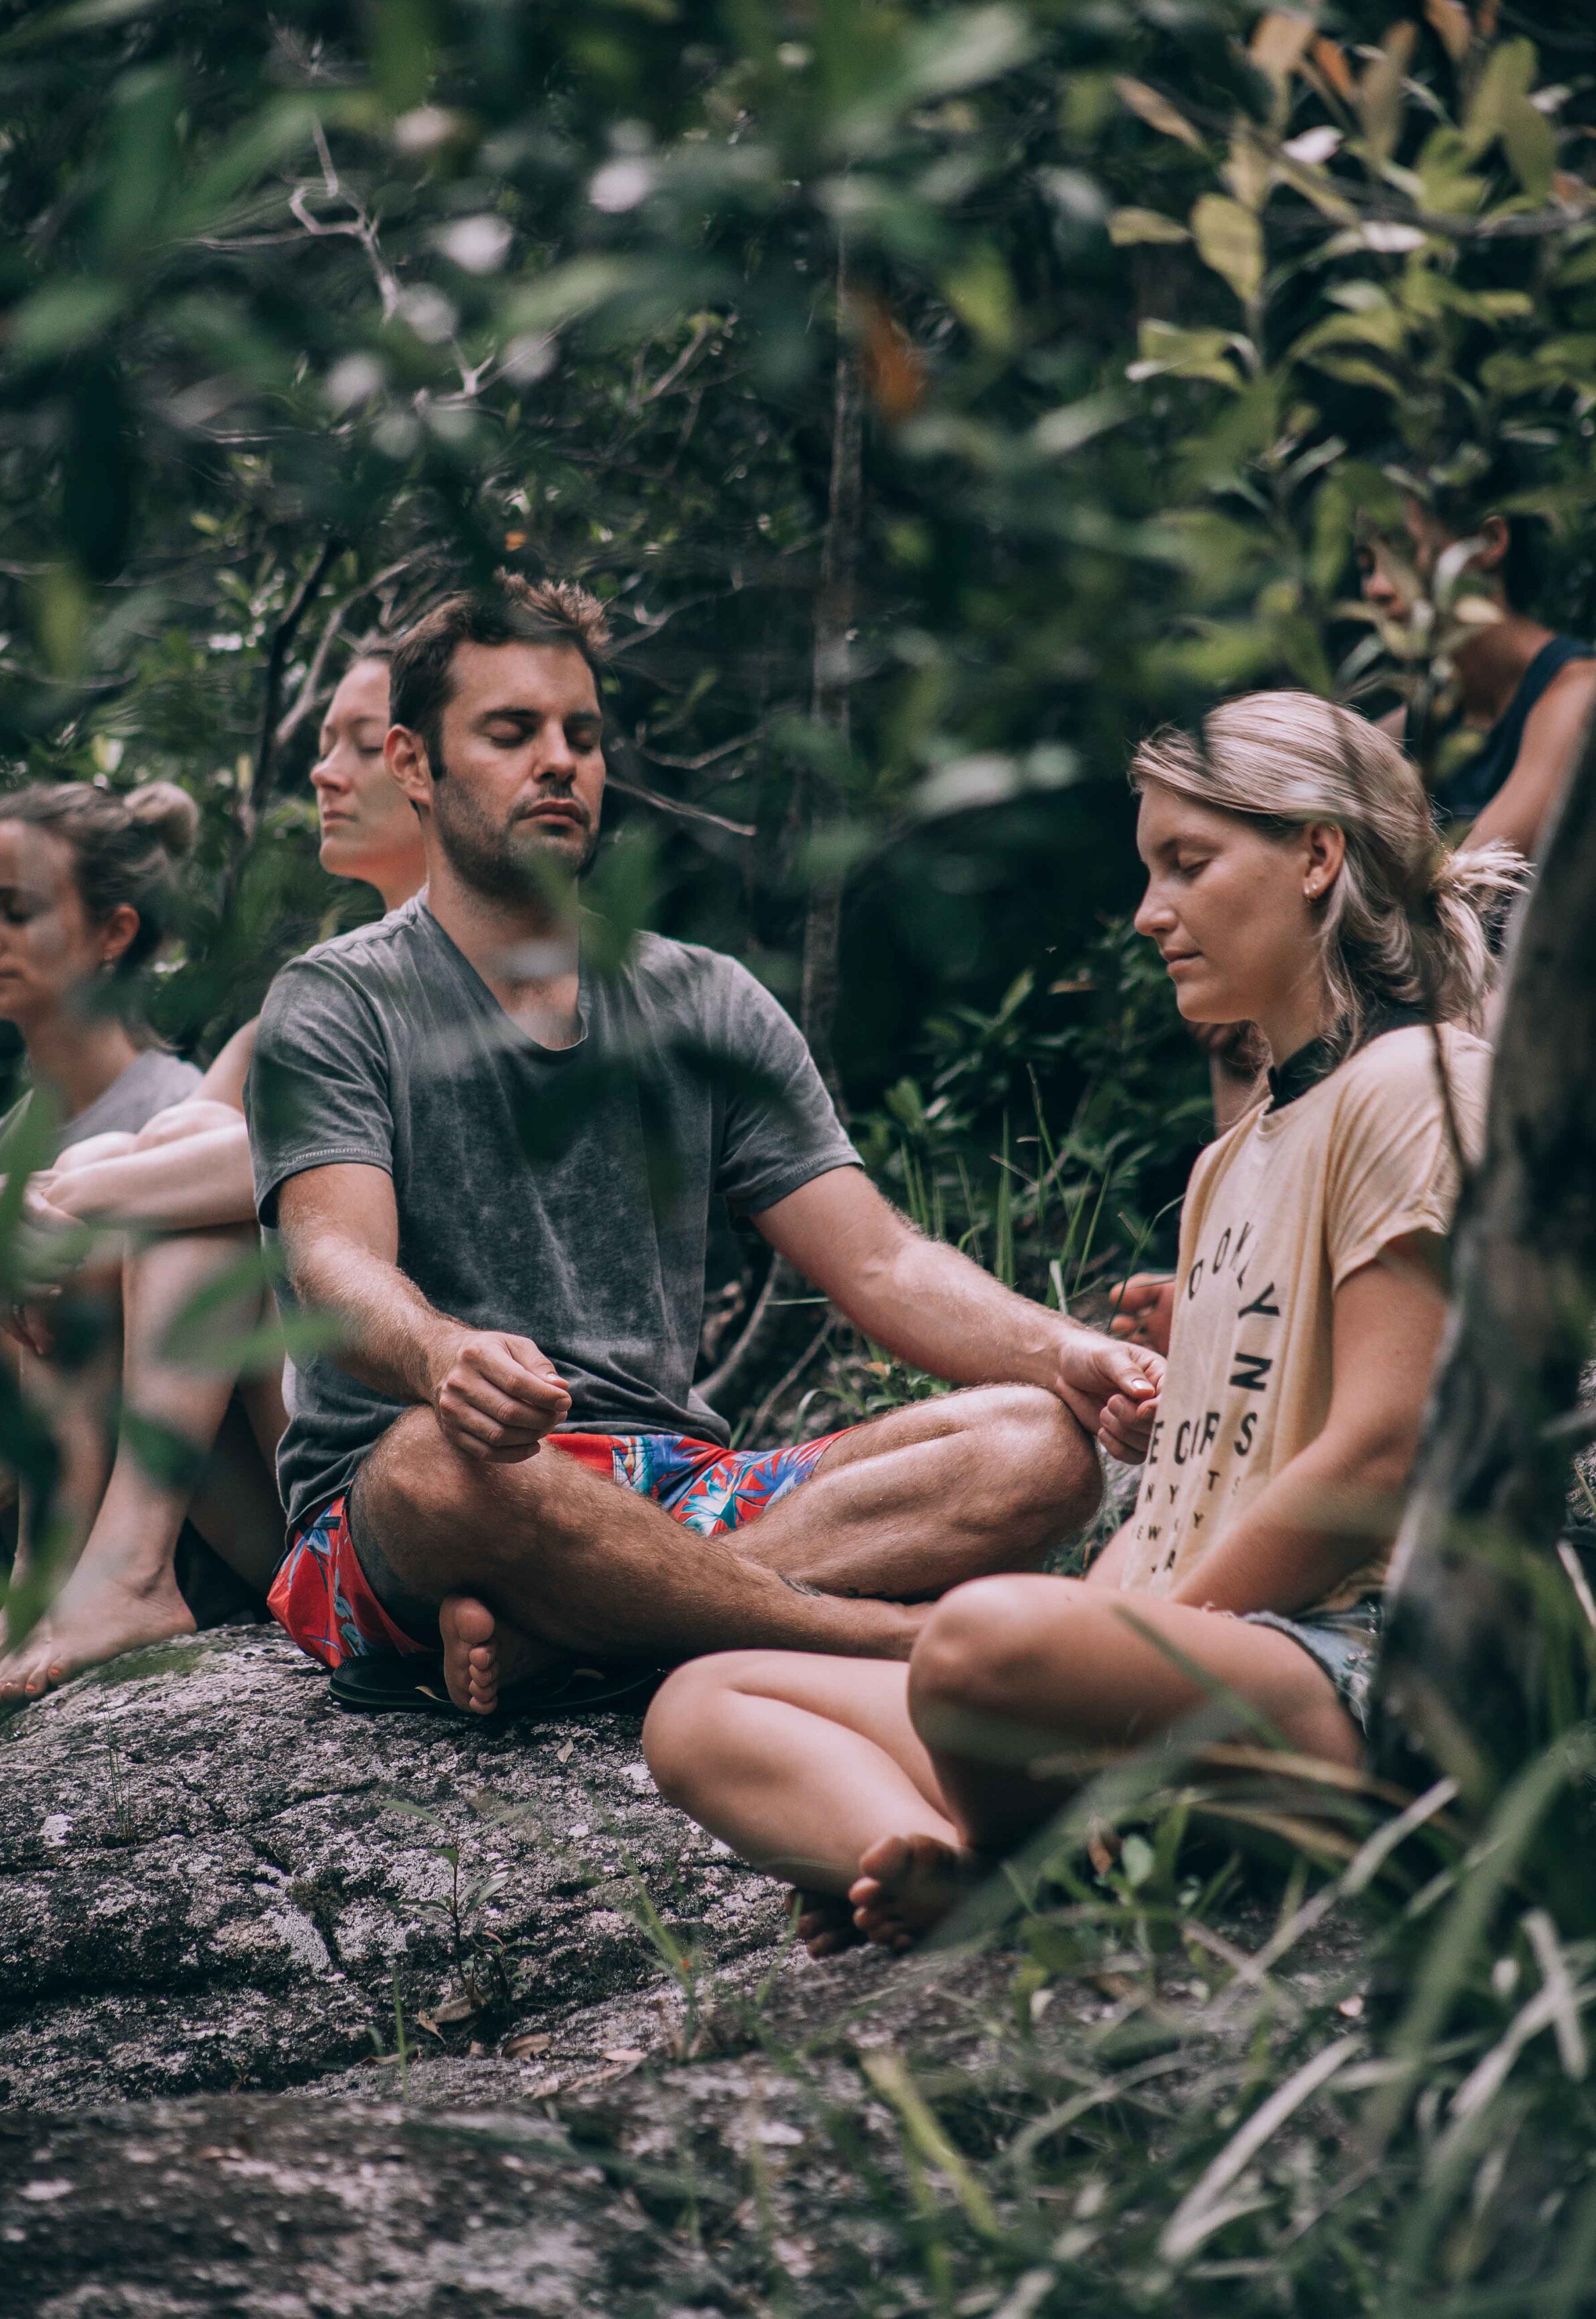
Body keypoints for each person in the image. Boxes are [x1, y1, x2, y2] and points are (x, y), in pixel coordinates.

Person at [641, 693, 1512, 1954]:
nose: (1151, 912)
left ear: (1319, 856)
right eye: (1151, 870)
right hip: (1197, 1672)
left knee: (982, 1641)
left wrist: (1142, 1642)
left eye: (1188, 862)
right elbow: (1177, 1507)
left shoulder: (1420, 1086)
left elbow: (1383, 1453)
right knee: (704, 1701)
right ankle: (955, 1861)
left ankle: (1021, 1861)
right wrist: (1111, 1625)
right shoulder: (1229, 1163)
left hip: (1361, 1671)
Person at [249, 576, 1163, 1718]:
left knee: (1040, 1445)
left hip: (670, 1484)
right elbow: (333, 1263)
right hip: (431, 1497)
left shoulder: (704, 1000)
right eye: (512, 732)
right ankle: (882, 1640)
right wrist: (443, 1356)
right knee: (435, 1467)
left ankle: (583, 1635)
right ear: (414, 764)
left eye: (583, 736)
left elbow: (882, 1262)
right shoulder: (335, 1002)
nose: (560, 762)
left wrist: (1070, 1353)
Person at [0, 642, 427, 1732]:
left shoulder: (458, 994)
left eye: (360, 743)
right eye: (324, 741)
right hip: (283, 1480)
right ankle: (52, 1582)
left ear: (430, 763)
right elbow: (202, 1146)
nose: (324, 770)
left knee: (180, 1178)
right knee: (174, 1150)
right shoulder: (312, 996)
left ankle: (126, 1573)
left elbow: (265, 1164)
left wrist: (63, 1203)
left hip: (404, 1475)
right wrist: (15, 1199)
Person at [1359, 493, 1594, 859]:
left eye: (1402, 554)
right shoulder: (1425, 718)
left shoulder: (1578, 694)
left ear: (1488, 542)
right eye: (1367, 566)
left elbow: (1473, 881)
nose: (1378, 588)